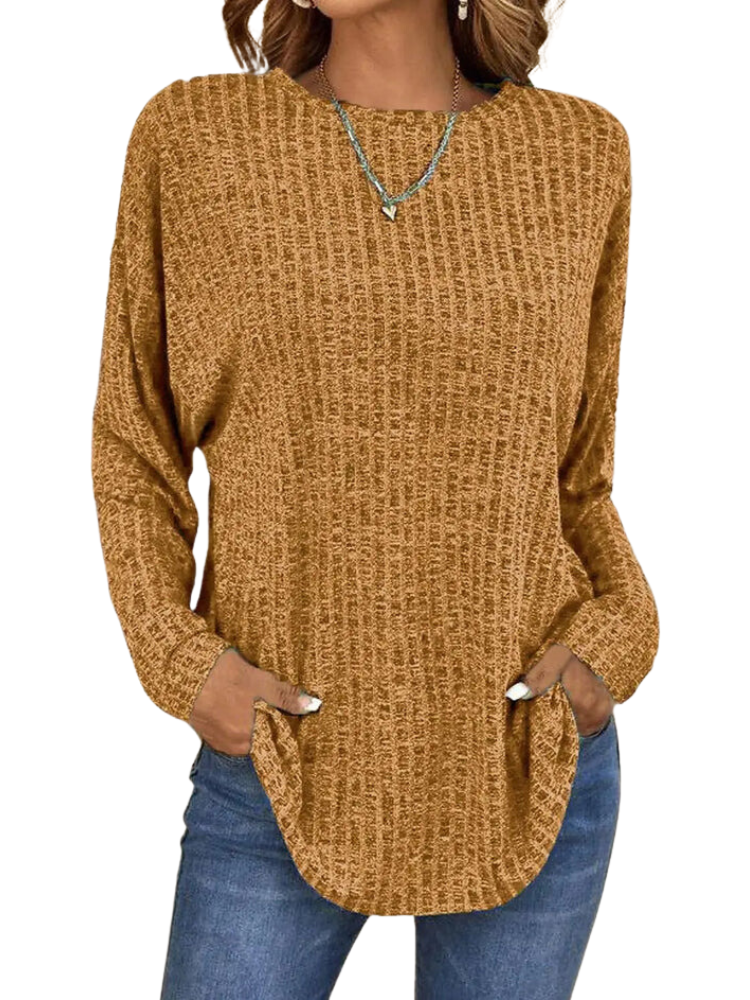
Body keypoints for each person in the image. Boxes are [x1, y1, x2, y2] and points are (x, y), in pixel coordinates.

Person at [91, 0, 660, 996]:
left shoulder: (580, 154)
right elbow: (134, 443)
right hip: (279, 760)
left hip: (526, 756)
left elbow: (578, 477)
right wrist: (181, 661)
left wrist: (620, 638)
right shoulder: (197, 138)